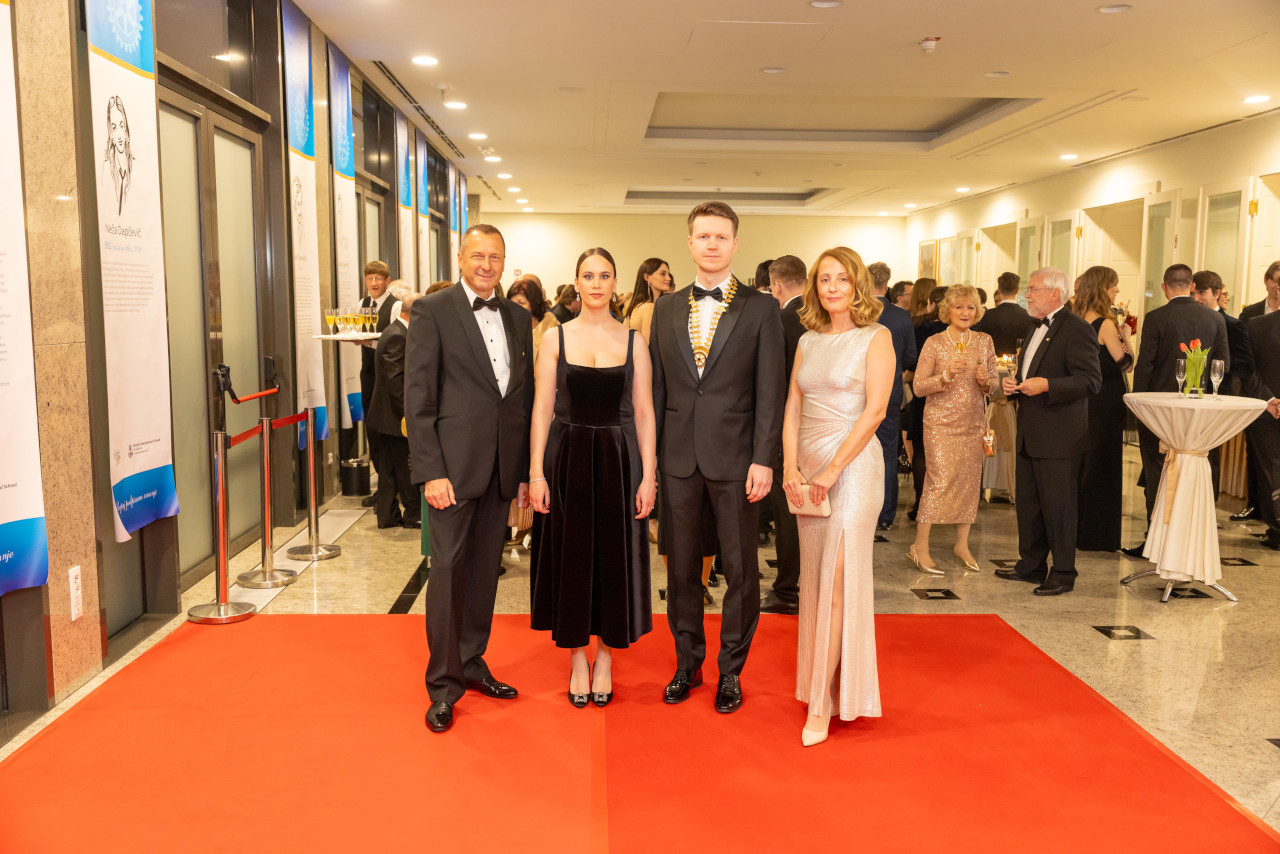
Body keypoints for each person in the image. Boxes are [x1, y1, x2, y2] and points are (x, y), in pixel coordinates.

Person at [649, 200, 785, 714]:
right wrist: (652, 462)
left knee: (741, 572)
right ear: (690, 243)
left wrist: (764, 458)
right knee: (681, 570)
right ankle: (687, 664)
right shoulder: (666, 308)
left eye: (720, 236)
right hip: (678, 459)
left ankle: (731, 670)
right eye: (703, 236)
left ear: (734, 243)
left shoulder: (761, 308)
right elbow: (657, 390)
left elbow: (770, 390)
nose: (711, 244)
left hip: (738, 460)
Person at [405, 224, 535, 734]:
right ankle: (442, 684)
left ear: (504, 262)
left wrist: (521, 472)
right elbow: (418, 398)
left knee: (483, 573)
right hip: (452, 472)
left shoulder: (518, 317)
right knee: (447, 573)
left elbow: (520, 399)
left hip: (500, 470)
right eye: (477, 255)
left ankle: (472, 660)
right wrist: (431, 471)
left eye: (495, 256)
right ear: (460, 258)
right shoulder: (433, 311)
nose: (486, 264)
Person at [529, 248, 657, 707]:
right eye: (588, 276)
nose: (597, 284)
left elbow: (644, 412)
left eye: (605, 275)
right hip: (567, 458)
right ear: (577, 283)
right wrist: (536, 473)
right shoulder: (555, 338)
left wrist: (649, 476)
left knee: (613, 559)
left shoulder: (634, 341)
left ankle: (605, 656)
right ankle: (577, 658)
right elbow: (542, 408)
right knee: (573, 558)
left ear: (615, 282)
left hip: (621, 460)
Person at [782, 246, 894, 747]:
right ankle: (821, 682)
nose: (832, 288)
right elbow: (793, 407)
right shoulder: (807, 340)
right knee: (815, 579)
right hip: (807, 472)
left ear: (857, 285)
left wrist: (830, 470)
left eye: (842, 279)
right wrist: (791, 466)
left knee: (838, 581)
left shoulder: (876, 337)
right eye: (824, 279)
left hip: (854, 469)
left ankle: (822, 703)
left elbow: (875, 412)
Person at [994, 268, 1101, 596]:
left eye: (1033, 289)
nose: (1027, 294)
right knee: (1029, 504)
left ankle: (1064, 572)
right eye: (1027, 289)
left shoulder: (1077, 329)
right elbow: (1031, 371)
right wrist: (1013, 385)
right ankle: (1031, 564)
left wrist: (1048, 385)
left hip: (1060, 436)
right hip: (1030, 431)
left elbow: (1091, 381)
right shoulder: (1033, 326)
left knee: (1059, 508)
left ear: (1056, 293)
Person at [1124, 264, 1230, 556]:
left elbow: (1145, 366)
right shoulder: (1214, 318)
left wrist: (1138, 405)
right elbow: (1223, 364)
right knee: (1192, 473)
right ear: (1192, 286)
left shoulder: (1156, 317)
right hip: (1200, 411)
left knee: (1157, 473)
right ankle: (1189, 542)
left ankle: (1156, 542)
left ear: (1164, 287)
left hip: (1159, 410)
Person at [909, 285, 998, 572]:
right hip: (940, 424)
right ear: (948, 310)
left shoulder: (984, 341)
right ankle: (919, 546)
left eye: (970, 307)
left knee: (969, 483)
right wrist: (945, 376)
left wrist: (985, 381)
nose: (965, 312)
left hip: (973, 423)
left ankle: (962, 544)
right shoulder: (934, 342)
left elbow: (994, 387)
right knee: (939, 481)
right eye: (959, 307)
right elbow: (918, 387)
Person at [1071, 266, 1132, 552]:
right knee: (1104, 463)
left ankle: (1078, 530)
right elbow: (1126, 364)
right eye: (1113, 285)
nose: (1117, 290)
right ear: (1101, 289)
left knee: (1085, 462)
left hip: (1084, 398)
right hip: (1105, 399)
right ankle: (1098, 535)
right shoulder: (1104, 324)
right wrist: (1126, 337)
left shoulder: (1074, 319)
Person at [761, 255, 808, 616]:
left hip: (789, 424)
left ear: (777, 286)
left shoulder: (781, 319)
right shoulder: (823, 316)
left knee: (788, 510)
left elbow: (773, 379)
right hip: (825, 425)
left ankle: (787, 589)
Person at [505, 276, 560, 544]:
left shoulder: (551, 328)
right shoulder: (508, 327)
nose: (517, 307)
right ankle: (521, 524)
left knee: (539, 468)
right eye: (513, 302)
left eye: (522, 302)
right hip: (517, 407)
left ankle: (537, 527)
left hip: (545, 407)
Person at [1192, 270, 1254, 498]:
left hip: (1215, 395)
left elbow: (1246, 365)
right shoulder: (1189, 319)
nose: (1196, 298)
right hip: (1188, 394)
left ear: (1217, 293)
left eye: (1202, 292)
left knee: (1209, 455)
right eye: (1193, 293)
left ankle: (1207, 504)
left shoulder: (1233, 325)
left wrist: (1214, 364)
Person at [366, 283, 422, 530]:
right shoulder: (397, 336)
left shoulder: (396, 332)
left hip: (387, 417)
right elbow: (396, 382)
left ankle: (387, 516)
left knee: (389, 470)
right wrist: (409, 414)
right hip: (393, 418)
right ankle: (412, 515)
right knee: (404, 468)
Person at [1233, 260, 1278, 521]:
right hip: (1258, 393)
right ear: (1267, 281)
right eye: (1277, 280)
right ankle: (1255, 505)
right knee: (1255, 454)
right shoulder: (1251, 313)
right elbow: (1243, 355)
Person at [358, 263, 403, 512]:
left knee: (388, 431)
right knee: (372, 429)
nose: (374, 283)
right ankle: (383, 488)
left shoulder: (395, 305)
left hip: (388, 374)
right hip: (368, 373)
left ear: (387, 281)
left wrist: (369, 343)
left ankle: (393, 488)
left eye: (378, 278)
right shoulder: (362, 303)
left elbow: (394, 341)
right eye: (370, 278)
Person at [906, 279, 946, 520]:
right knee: (949, 453)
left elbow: (912, 361)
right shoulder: (965, 332)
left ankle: (921, 505)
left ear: (932, 304)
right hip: (951, 396)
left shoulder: (921, 328)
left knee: (921, 450)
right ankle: (946, 506)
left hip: (925, 394)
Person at [1245, 310, 1280, 550]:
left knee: (1270, 472)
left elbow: (1248, 370)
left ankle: (1277, 531)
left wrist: (1267, 398)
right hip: (1266, 411)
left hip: (1266, 407)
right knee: (1270, 471)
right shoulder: (1256, 325)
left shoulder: (1256, 325)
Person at [974, 272, 1034, 356]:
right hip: (1018, 362)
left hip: (994, 361)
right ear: (1017, 290)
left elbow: (979, 341)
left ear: (999, 290)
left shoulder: (989, 315)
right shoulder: (1028, 316)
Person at [625, 257, 673, 342]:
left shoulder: (633, 308)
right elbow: (649, 346)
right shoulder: (649, 308)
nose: (668, 278)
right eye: (663, 274)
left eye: (668, 274)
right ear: (647, 277)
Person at [99, 95, 133, 216]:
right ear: (111, 135)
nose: (119, 135)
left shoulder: (135, 166)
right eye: (114, 128)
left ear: (126, 130)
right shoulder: (107, 167)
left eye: (121, 126)